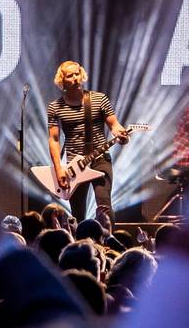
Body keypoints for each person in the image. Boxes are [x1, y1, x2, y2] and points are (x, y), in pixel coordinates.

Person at [47, 60, 132, 227]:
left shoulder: (99, 99)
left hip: (100, 159)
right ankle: (81, 247)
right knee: (77, 212)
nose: (75, 78)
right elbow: (54, 139)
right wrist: (58, 169)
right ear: (62, 81)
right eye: (70, 76)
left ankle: (109, 244)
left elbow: (114, 125)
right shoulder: (55, 107)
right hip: (74, 165)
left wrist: (121, 134)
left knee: (104, 205)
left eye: (77, 74)